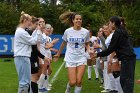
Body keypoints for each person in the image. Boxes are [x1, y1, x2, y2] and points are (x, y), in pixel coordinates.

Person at [93, 16, 136, 93]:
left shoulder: (117, 33)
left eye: (109, 23)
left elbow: (110, 49)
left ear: (113, 23)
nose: (109, 25)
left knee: (126, 81)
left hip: (127, 58)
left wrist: (97, 54)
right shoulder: (122, 30)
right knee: (124, 80)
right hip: (128, 58)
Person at [53, 11, 92, 93]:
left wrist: (89, 50)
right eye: (77, 19)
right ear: (73, 20)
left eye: (80, 19)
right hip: (70, 58)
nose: (79, 20)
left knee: (79, 81)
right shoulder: (68, 31)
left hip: (81, 58)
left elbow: (87, 44)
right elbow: (64, 43)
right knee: (72, 82)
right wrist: (58, 53)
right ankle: (68, 89)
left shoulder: (86, 32)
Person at [14, 12, 43, 93]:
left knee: (26, 82)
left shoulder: (21, 31)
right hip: (22, 57)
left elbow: (31, 38)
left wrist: (37, 31)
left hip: (23, 58)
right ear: (25, 20)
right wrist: (39, 31)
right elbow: (33, 41)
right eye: (30, 21)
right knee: (24, 83)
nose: (30, 23)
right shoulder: (21, 31)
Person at [26, 16, 49, 93]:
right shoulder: (32, 32)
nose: (41, 24)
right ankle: (40, 87)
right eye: (39, 23)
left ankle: (40, 87)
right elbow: (36, 46)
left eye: (43, 22)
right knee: (34, 77)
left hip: (35, 56)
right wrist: (41, 58)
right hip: (32, 57)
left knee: (34, 77)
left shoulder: (37, 32)